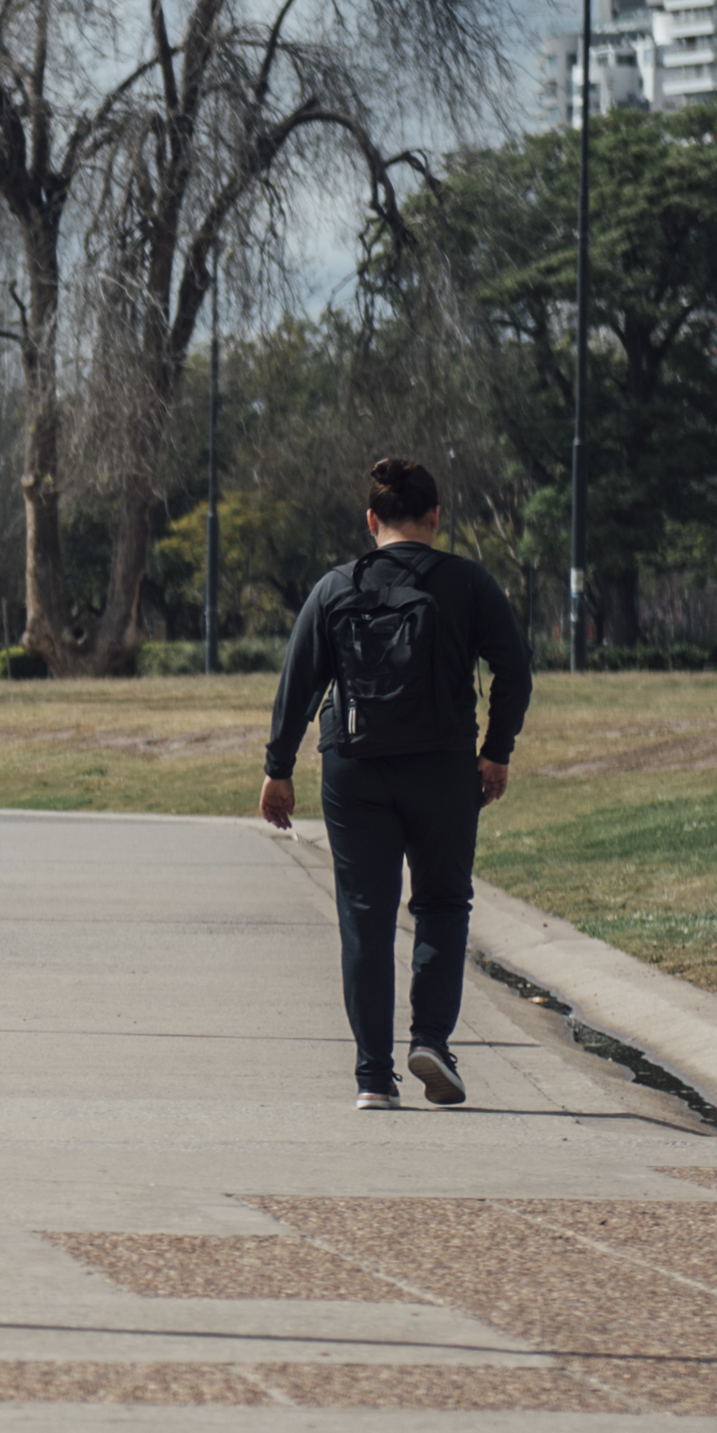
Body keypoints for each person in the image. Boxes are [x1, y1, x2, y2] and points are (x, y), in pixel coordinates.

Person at [259, 457, 532, 1111]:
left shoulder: (335, 587)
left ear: (371, 519)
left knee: (365, 915)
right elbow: (515, 669)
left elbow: (298, 681)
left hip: (355, 768)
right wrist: (495, 752)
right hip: (443, 766)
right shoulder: (467, 582)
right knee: (442, 902)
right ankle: (431, 1039)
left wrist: (278, 768)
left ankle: (373, 1077)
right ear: (436, 516)